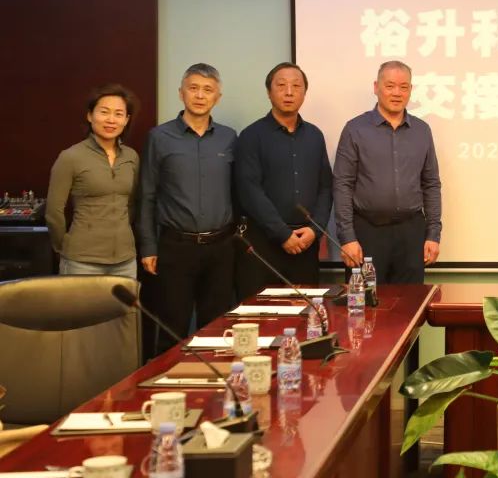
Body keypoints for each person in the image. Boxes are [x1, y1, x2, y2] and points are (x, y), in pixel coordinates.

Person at [138, 64, 237, 348]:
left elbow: (237, 191)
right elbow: (146, 195)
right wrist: (148, 247)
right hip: (175, 248)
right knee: (172, 328)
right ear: (181, 93)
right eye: (193, 88)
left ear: (217, 97)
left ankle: (213, 379)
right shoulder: (159, 137)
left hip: (220, 248)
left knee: (216, 330)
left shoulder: (229, 138)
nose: (200, 96)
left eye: (208, 90)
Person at [333, 60, 442, 284]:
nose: (397, 93)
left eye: (404, 87)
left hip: (411, 233)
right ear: (376, 87)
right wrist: (347, 237)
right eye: (390, 86)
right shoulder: (355, 129)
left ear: (411, 90)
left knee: (409, 302)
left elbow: (431, 183)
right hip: (367, 232)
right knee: (365, 302)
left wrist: (433, 234)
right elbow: (342, 184)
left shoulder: (422, 130)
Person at [235, 62, 333, 298]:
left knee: (305, 313)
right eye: (281, 85)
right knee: (261, 313)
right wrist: (282, 234)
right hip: (263, 245)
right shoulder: (251, 136)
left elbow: (325, 187)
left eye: (296, 86)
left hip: (305, 244)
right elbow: (249, 191)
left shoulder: (315, 135)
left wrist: (315, 230)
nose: (289, 92)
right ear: (269, 92)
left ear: (304, 93)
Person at [45, 84, 140, 278]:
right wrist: (63, 247)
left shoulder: (132, 156)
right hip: (82, 260)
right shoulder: (70, 157)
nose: (111, 120)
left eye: (118, 114)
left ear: (126, 120)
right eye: (104, 112)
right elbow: (54, 211)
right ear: (90, 115)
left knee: (126, 301)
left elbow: (132, 204)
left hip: (125, 259)